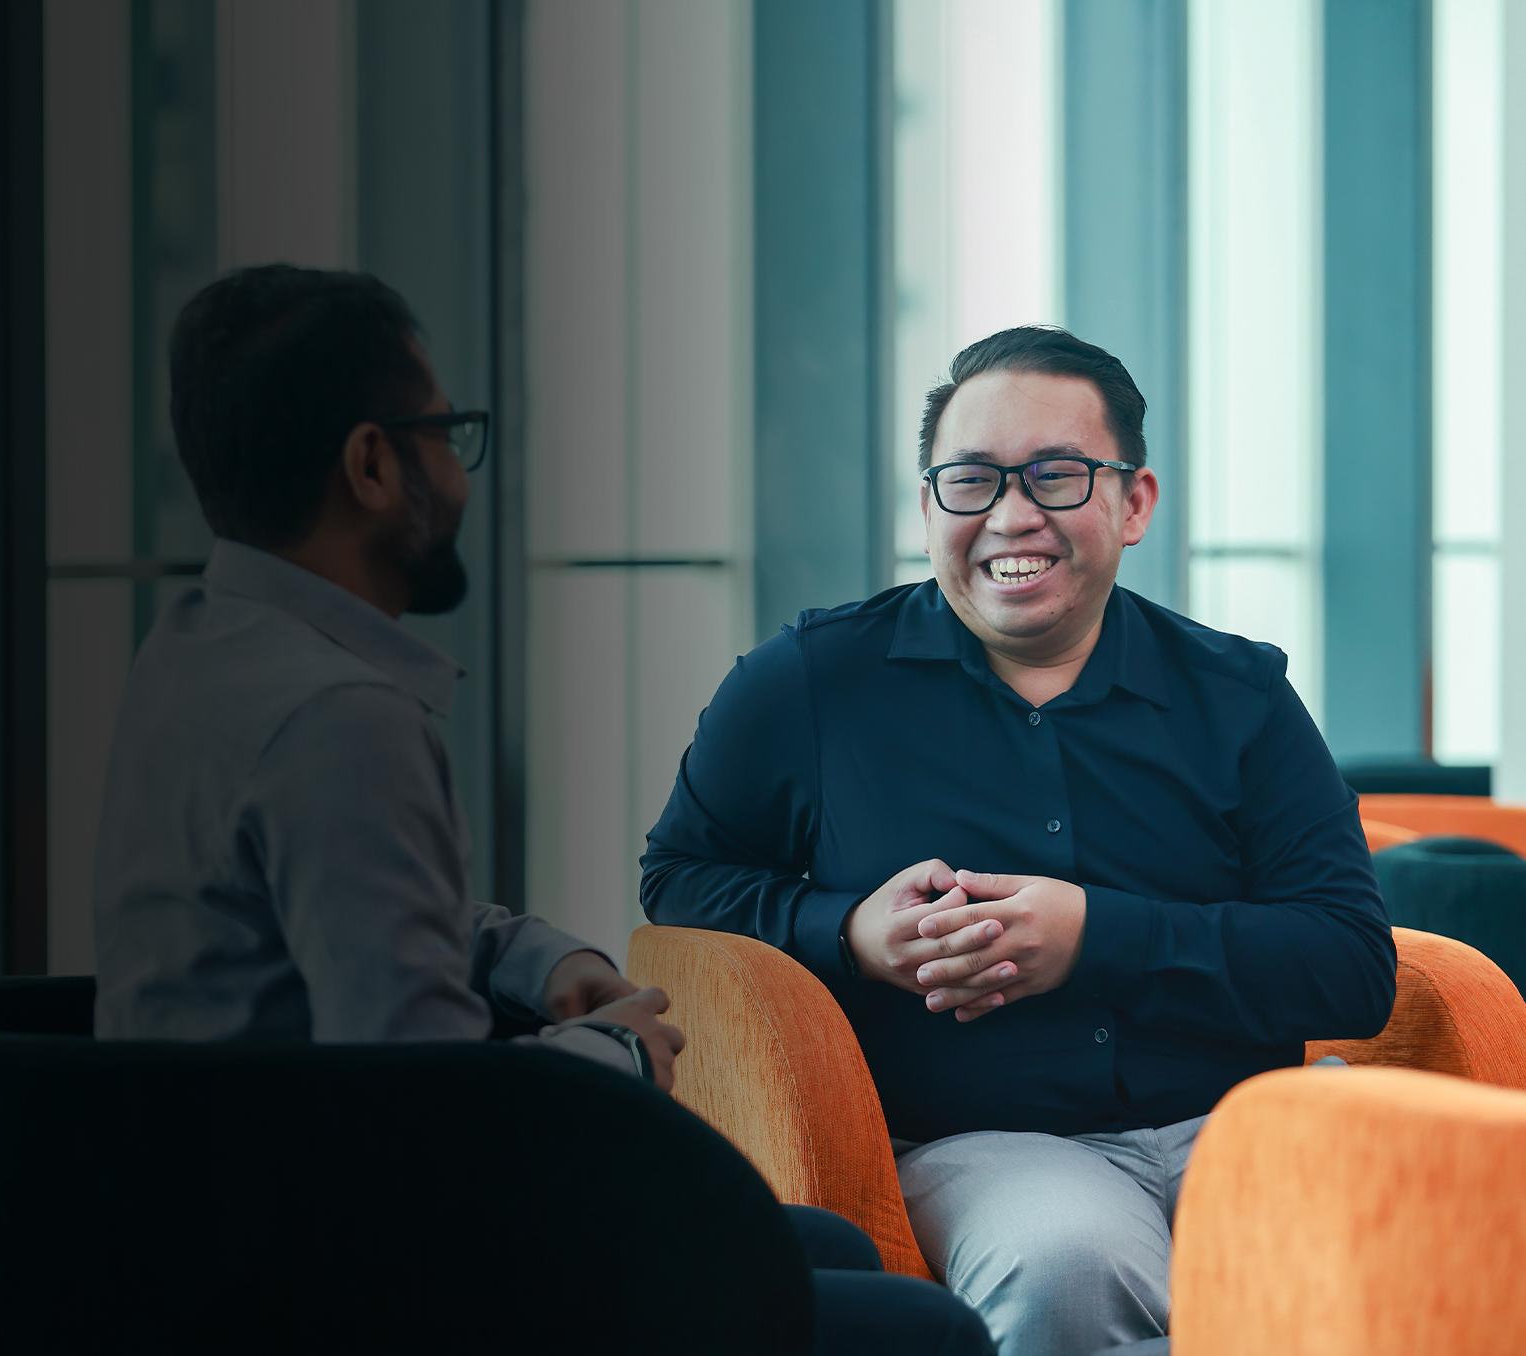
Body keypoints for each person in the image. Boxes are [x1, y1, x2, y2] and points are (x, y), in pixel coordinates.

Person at [93, 262, 993, 1356]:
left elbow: (337, 910)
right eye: (444, 434)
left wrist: (528, 957)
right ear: (373, 463)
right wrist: (613, 1060)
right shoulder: (340, 718)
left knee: (824, 1249)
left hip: (202, 1225)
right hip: (344, 1275)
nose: (461, 475)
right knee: (920, 1330)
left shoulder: (199, 650)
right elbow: (422, 1112)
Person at [641, 325, 1397, 1356]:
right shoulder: (810, 684)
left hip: (1242, 1124)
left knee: (1411, 1235)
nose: (1010, 516)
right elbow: (681, 881)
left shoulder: (1240, 697)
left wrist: (1094, 937)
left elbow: (1350, 968)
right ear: (928, 505)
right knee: (1067, 1268)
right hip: (986, 1146)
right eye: (972, 482)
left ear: (1133, 503)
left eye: (1055, 476)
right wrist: (847, 931)